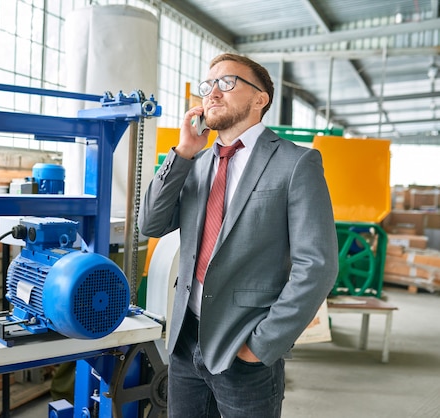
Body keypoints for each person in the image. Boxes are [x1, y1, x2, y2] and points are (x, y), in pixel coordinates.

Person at [138, 53, 339, 417]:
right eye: (208, 85)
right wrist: (183, 152)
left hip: (244, 350)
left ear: (260, 98)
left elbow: (318, 266)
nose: (212, 92)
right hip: (185, 344)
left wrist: (262, 345)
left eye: (227, 82)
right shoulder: (196, 164)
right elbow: (150, 224)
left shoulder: (296, 164)